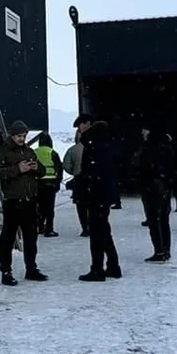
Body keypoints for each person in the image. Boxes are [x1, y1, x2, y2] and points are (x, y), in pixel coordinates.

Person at [0, 119, 45, 286]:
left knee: (31, 237)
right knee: (7, 237)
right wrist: (17, 169)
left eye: (24, 136)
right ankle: (6, 271)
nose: (22, 139)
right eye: (19, 136)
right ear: (12, 136)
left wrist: (36, 168)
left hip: (29, 200)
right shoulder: (2, 151)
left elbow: (42, 171)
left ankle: (31, 268)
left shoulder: (29, 151)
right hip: (13, 200)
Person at [72, 120, 122, 281]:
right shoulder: (106, 147)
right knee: (103, 230)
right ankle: (113, 265)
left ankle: (97, 269)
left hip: (95, 195)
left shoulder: (92, 147)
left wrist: (81, 189)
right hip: (102, 196)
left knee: (97, 232)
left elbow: (89, 173)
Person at [136, 126, 175, 262]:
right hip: (164, 187)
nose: (143, 134)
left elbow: (142, 166)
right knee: (164, 220)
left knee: (154, 220)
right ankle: (166, 250)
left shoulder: (149, 149)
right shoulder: (167, 148)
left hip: (152, 188)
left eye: (145, 132)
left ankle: (159, 251)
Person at [62, 116, 90, 237]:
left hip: (79, 180)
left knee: (81, 206)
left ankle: (85, 228)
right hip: (92, 180)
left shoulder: (72, 150)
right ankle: (93, 225)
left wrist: (74, 171)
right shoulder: (93, 147)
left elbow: (66, 165)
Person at [33, 131, 62, 236]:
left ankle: (40, 226)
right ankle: (49, 229)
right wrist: (58, 183)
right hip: (50, 184)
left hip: (37, 183)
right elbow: (59, 168)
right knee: (49, 208)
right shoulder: (52, 152)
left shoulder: (34, 152)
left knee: (38, 207)